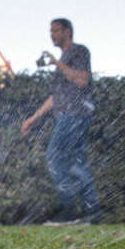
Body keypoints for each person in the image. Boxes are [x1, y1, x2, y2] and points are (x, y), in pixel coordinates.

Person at [21, 18, 101, 224]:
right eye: (50, 31)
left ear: (67, 31)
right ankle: (91, 213)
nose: (52, 35)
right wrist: (34, 117)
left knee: (55, 157)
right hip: (68, 114)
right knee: (76, 163)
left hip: (75, 114)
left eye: (56, 31)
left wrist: (57, 63)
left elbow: (82, 80)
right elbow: (56, 97)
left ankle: (69, 209)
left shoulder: (79, 51)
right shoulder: (65, 59)